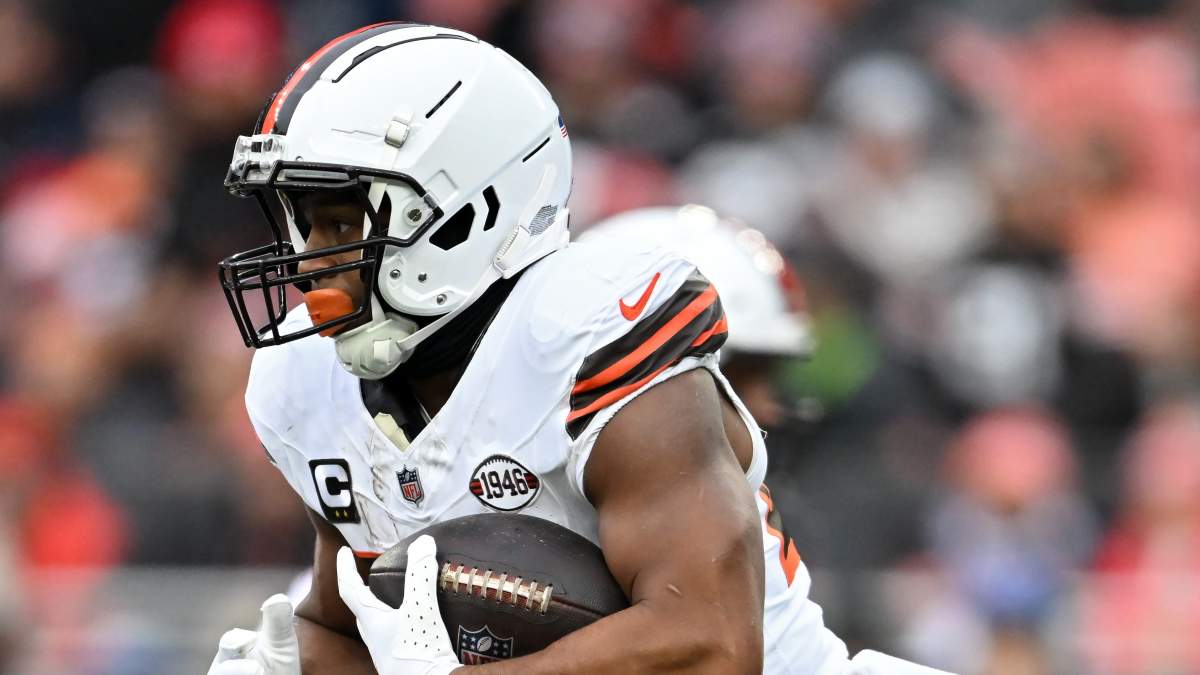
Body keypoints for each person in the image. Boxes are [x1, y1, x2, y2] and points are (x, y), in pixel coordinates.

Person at [206, 22, 949, 675]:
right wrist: (290, 663)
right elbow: (360, 628)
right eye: (303, 226)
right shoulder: (305, 382)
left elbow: (712, 646)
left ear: (467, 212)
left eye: (342, 224)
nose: (309, 264)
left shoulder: (586, 331)